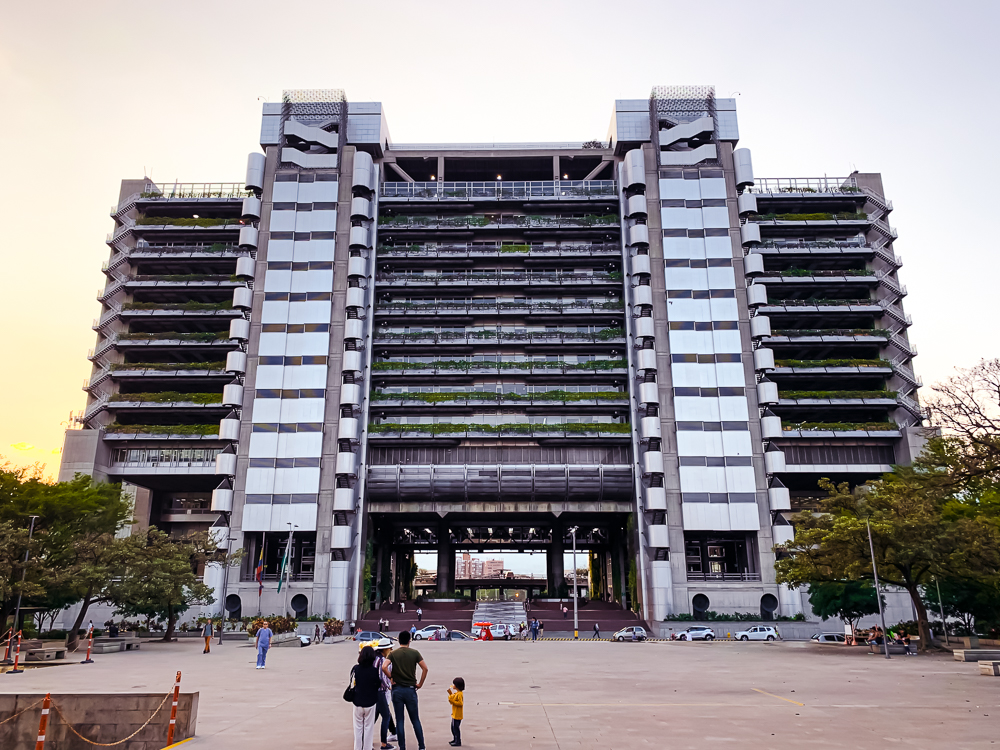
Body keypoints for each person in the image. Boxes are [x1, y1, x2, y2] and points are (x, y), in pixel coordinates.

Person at [383, 631, 427, 750]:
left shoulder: (393, 654)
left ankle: (402, 747)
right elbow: (425, 668)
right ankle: (421, 746)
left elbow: (384, 667)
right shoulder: (415, 653)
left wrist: (391, 677)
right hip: (410, 690)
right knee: (415, 719)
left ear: (398, 640)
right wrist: (420, 684)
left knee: (400, 720)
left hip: (397, 690)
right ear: (409, 640)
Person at [351, 646, 382, 750]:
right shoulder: (374, 671)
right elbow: (378, 684)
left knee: (358, 728)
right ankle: (367, 748)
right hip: (370, 702)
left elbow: (352, 683)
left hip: (357, 701)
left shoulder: (356, 669)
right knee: (369, 728)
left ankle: (357, 748)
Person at [373, 638, 398, 749]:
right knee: (386, 717)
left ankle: (393, 732)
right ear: (385, 649)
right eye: (390, 648)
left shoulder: (375, 659)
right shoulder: (383, 660)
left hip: (375, 692)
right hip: (381, 691)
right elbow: (381, 677)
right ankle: (384, 744)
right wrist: (388, 685)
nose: (391, 649)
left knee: (376, 715)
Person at [447, 676, 465, 747]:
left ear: (457, 686)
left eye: (454, 684)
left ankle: (458, 741)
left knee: (456, 728)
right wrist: (450, 694)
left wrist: (452, 701)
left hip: (457, 715)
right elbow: (453, 697)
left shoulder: (459, 694)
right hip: (454, 714)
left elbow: (460, 703)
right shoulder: (457, 693)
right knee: (453, 727)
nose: (453, 685)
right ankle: (455, 739)